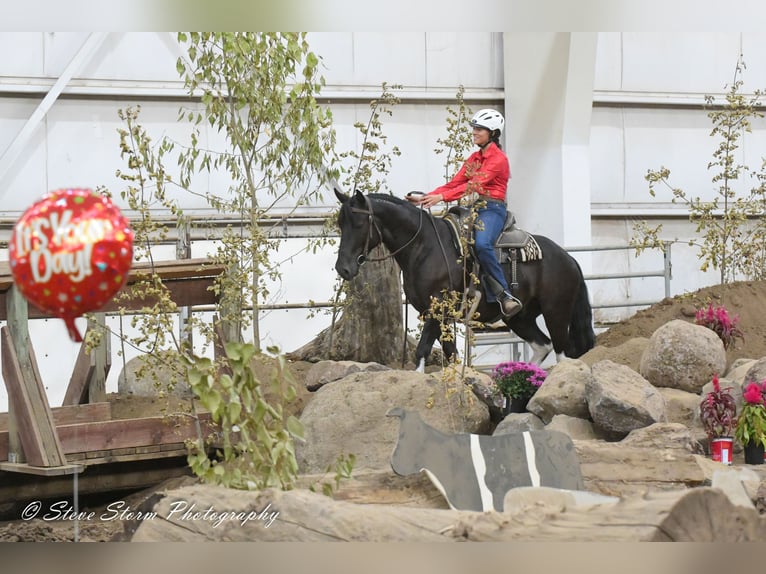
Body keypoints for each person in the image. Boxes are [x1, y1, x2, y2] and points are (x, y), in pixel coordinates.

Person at [407, 108, 522, 317]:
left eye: (480, 129)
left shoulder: (499, 159)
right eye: (474, 128)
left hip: (493, 209)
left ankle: (504, 295)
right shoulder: (474, 158)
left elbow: (473, 186)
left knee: (482, 244)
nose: (475, 132)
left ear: (493, 133)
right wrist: (426, 198)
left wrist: (441, 198)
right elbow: (455, 183)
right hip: (475, 208)